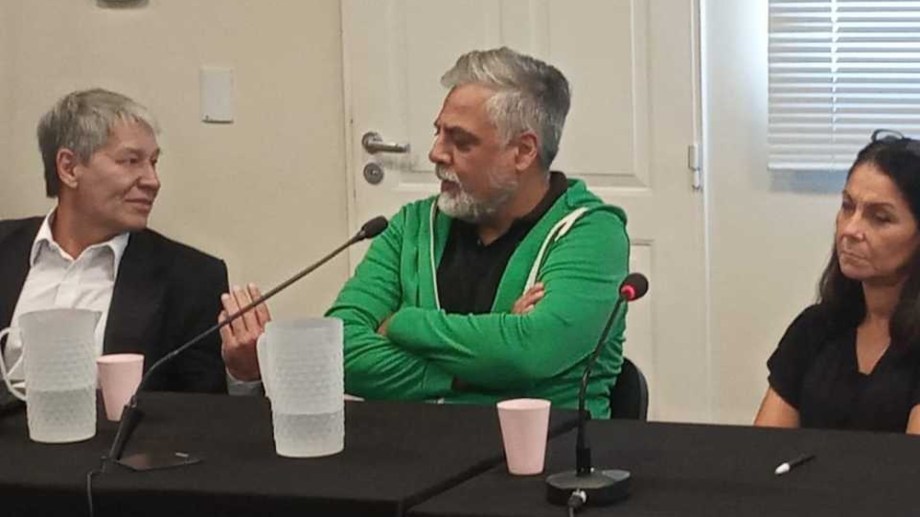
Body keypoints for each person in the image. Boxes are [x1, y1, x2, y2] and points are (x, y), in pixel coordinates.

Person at [220, 48, 630, 416]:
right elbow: (342, 352)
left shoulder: (591, 233)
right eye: (438, 132)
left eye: (460, 141)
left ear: (523, 151)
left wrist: (402, 323)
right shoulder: (412, 226)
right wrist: (483, 362)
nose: (435, 153)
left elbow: (529, 353)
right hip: (414, 451)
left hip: (544, 458)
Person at [0, 88, 228, 393]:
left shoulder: (192, 279)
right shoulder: (6, 249)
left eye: (153, 162)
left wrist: (244, 371)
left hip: (124, 426)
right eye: (131, 161)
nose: (153, 181)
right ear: (69, 168)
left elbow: (203, 409)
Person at [755, 129, 920, 433]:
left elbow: (911, 461)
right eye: (847, 206)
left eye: (880, 218)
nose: (850, 230)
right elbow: (763, 450)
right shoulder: (815, 328)